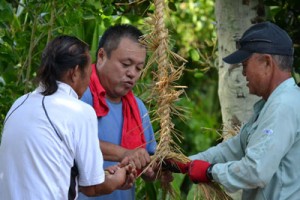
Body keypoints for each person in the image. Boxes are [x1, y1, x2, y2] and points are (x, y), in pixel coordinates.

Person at [167, 21, 300, 199]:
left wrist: (210, 172)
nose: (243, 73)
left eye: (245, 65)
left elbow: (256, 171)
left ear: (267, 63)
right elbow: (232, 149)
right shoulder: (270, 106)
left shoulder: (284, 105)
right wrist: (185, 163)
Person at [0, 35, 135, 200]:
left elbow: (45, 171)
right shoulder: (79, 111)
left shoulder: (19, 104)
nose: (88, 83)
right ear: (75, 72)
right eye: (89, 74)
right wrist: (120, 177)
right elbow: (93, 187)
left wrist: (104, 174)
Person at [78, 24, 172, 200]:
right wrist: (125, 153)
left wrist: (156, 169)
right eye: (126, 64)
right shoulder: (79, 95)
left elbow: (147, 167)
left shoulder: (138, 107)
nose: (132, 74)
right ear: (101, 56)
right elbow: (74, 143)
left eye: (138, 68)